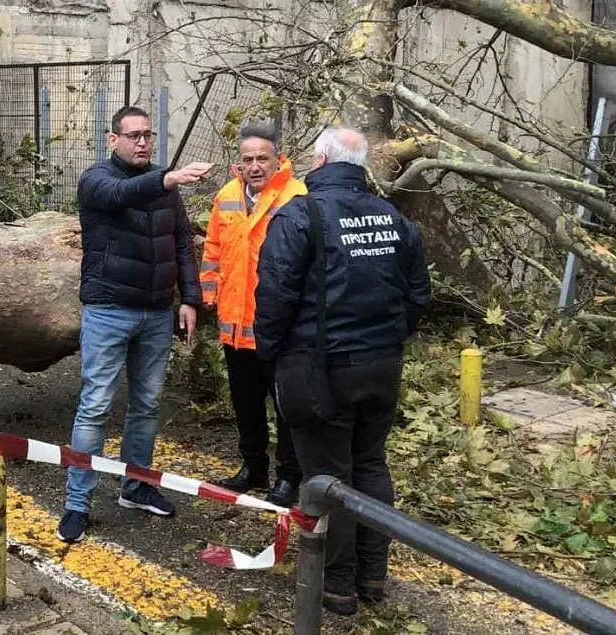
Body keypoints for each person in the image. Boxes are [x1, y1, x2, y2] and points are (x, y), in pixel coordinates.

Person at [254, 127, 431, 616]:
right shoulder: (394, 217)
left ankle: (336, 586)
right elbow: (419, 294)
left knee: (328, 476)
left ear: (319, 159)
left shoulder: (301, 214)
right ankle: (373, 574)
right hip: (381, 365)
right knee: (370, 465)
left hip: (320, 369)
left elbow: (274, 296)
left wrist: (271, 356)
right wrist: (388, 338)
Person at [58, 105, 214, 543]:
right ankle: (77, 503)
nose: (143, 142)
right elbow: (118, 196)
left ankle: (136, 486)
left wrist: (190, 299)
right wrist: (167, 179)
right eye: (134, 135)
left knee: (146, 406)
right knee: (95, 408)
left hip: (157, 313)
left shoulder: (165, 186)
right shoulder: (96, 180)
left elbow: (181, 243)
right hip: (109, 311)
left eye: (148, 135)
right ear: (114, 140)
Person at [200, 121, 307, 507]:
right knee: (246, 405)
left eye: (263, 158)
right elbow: (212, 250)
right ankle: (253, 468)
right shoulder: (227, 197)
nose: (256, 166)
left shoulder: (297, 197)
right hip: (235, 328)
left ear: (278, 160)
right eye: (248, 159)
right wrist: (208, 298)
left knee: (285, 408)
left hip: (278, 330)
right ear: (238, 164)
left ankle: (288, 477)